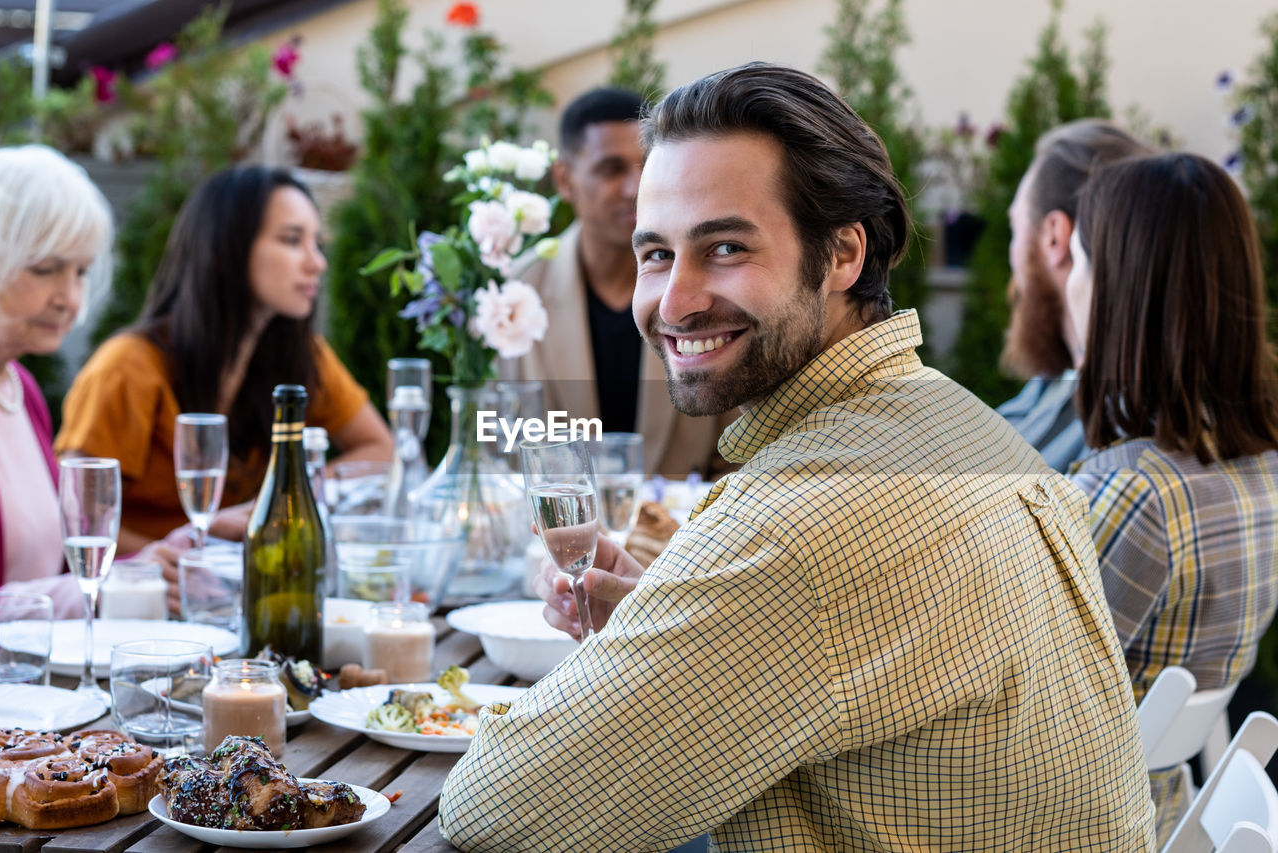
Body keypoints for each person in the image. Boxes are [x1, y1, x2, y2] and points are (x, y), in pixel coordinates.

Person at [440, 63, 1154, 851]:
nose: (674, 302)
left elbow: (495, 809)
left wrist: (624, 671)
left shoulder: (801, 519)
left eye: (724, 246)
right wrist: (667, 628)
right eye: (654, 255)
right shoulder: (962, 423)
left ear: (844, 253)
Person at [1067, 152, 1278, 844]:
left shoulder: (1133, 493)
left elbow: (1014, 704)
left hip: (1078, 827)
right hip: (1162, 812)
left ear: (1118, 291)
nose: (1066, 286)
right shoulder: (1258, 469)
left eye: (1076, 263)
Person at [56, 166, 393, 555]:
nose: (317, 262)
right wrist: (168, 562)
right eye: (291, 240)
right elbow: (74, 521)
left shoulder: (300, 357)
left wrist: (284, 495)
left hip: (234, 586)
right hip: (140, 595)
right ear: (225, 249)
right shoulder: (127, 368)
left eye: (316, 242)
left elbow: (380, 450)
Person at [501, 86, 733, 479]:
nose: (635, 188)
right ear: (564, 180)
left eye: (646, 165)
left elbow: (736, 451)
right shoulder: (517, 291)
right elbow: (498, 447)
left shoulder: (709, 284)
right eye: (611, 169)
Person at [996, 119, 1151, 472]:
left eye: (1015, 229)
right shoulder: (1057, 384)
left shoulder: (1121, 434)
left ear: (1055, 236)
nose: (1012, 253)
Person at [0, 145, 113, 616]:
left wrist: (143, 569)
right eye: (45, 269)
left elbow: (49, 578)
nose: (69, 297)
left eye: (81, 272)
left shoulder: (19, 388)